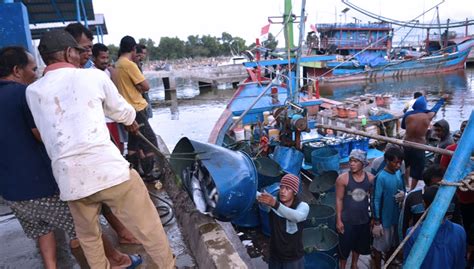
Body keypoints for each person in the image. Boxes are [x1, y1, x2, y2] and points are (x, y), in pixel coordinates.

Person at [26, 30, 175, 268]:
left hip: (71, 181)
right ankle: (168, 265)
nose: (83, 54)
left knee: (89, 238)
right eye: (79, 51)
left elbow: (46, 132)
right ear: (68, 52)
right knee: (148, 226)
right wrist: (129, 119)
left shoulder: (32, 91)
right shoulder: (92, 77)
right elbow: (122, 111)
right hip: (109, 172)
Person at [0, 46, 141, 269]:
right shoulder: (24, 94)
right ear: (17, 70)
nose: (36, 74)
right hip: (40, 185)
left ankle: (51, 267)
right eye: (33, 68)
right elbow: (42, 134)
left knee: (42, 228)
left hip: (10, 190)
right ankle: (116, 260)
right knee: (84, 227)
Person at [114, 35, 159, 181]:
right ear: (133, 49)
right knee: (149, 139)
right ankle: (149, 173)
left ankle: (135, 172)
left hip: (126, 109)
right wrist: (139, 87)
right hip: (137, 107)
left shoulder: (117, 64)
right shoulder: (129, 65)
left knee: (133, 141)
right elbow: (146, 86)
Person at [403, 186, 466, 269]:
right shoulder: (459, 231)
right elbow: (460, 263)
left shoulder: (412, 233)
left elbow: (409, 265)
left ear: (423, 204)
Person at [257, 173, 309, 269]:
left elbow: (296, 217)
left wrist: (275, 204)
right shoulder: (273, 202)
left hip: (294, 258)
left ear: (294, 192)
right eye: (281, 187)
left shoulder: (302, 206)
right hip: (275, 256)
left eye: (287, 188)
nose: (282, 191)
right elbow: (257, 195)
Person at [335, 149, 375, 269]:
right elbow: (339, 199)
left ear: (363, 163)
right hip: (347, 221)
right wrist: (339, 220)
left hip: (363, 220)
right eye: (351, 161)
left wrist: (373, 218)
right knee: (344, 248)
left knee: (358, 246)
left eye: (356, 161)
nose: (352, 164)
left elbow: (373, 199)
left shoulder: (371, 179)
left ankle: (354, 264)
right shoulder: (343, 179)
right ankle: (342, 267)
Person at [401, 94, 448, 190]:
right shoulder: (428, 116)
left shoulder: (407, 115)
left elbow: (402, 127)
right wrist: (442, 99)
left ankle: (406, 184)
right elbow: (436, 108)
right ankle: (412, 189)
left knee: (406, 165)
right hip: (419, 146)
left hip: (407, 144)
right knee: (418, 170)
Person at [372, 147, 405, 269]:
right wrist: (376, 221)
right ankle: (377, 266)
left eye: (400, 163)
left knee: (392, 243)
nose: (398, 165)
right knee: (379, 246)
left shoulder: (398, 173)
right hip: (383, 219)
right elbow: (375, 199)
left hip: (395, 216)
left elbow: (403, 188)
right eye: (395, 162)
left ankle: (388, 262)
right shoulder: (380, 177)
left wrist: (403, 194)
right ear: (386, 160)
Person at [134, 44, 153, 119]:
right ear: (138, 53)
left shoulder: (139, 64)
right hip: (140, 96)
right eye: (143, 53)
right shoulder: (134, 65)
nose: (144, 56)